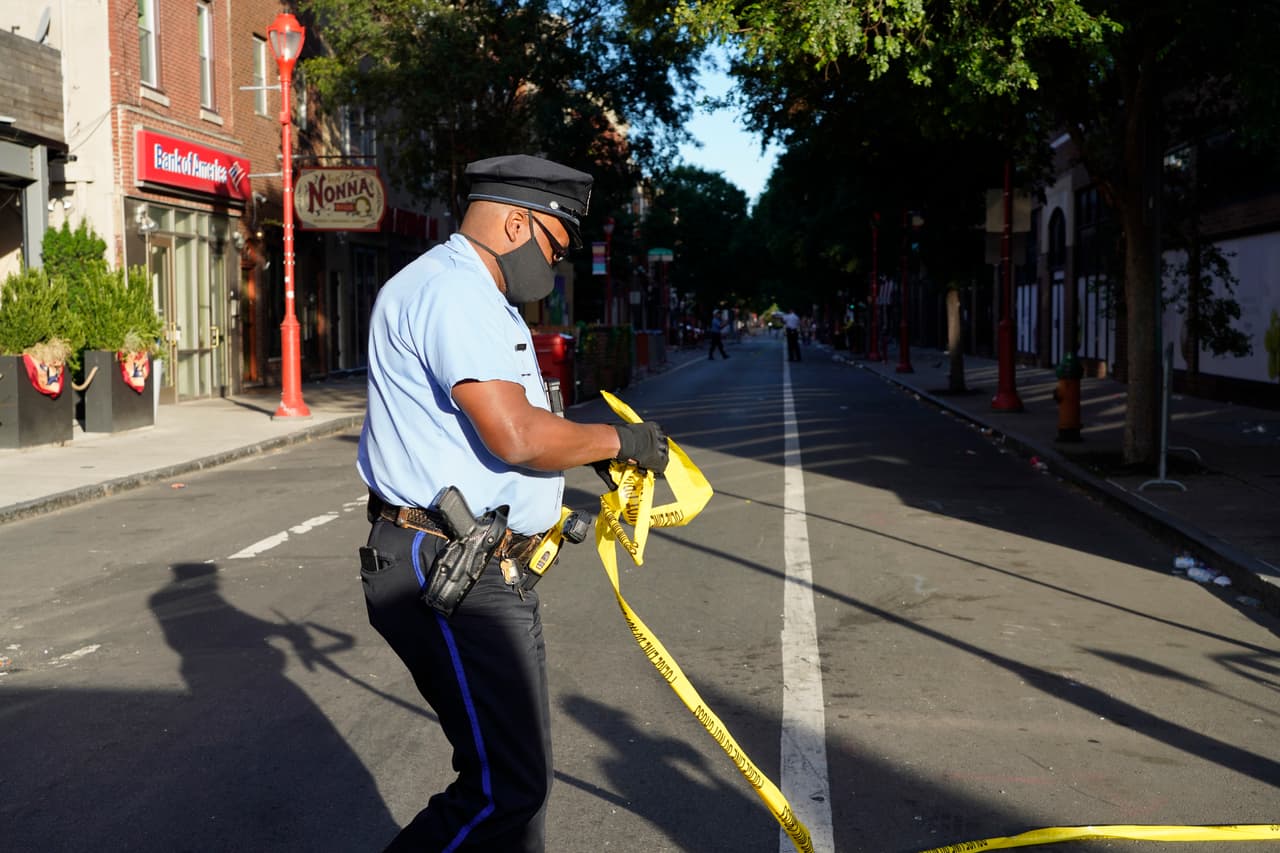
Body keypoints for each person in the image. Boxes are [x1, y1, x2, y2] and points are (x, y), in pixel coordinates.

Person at [356, 154, 670, 853]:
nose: (554, 268)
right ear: (517, 221)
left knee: (517, 788)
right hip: (446, 568)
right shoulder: (454, 293)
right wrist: (617, 441)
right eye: (555, 249)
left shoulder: (477, 296)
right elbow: (516, 433)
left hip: (480, 566)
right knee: (506, 786)